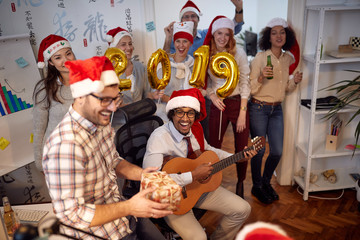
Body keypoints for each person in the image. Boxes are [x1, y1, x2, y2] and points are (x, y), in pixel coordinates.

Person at [42, 56, 173, 240]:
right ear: (80, 96)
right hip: (101, 233)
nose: (112, 108)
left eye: (115, 99)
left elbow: (113, 161)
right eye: (104, 100)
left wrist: (144, 175)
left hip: (124, 218)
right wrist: (130, 207)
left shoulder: (99, 123)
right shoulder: (65, 145)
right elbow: (72, 214)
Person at [143, 88, 257, 240]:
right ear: (171, 114)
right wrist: (193, 175)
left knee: (243, 209)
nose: (185, 118)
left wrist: (237, 157)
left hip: (197, 189)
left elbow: (208, 150)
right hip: (171, 199)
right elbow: (152, 182)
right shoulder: (159, 138)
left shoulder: (194, 130)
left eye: (190, 113)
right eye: (180, 112)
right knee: (199, 238)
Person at [249, 18, 302, 204]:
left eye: (282, 32)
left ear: (286, 36)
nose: (279, 36)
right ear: (268, 37)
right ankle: (256, 187)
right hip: (258, 108)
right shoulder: (260, 58)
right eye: (274, 33)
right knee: (258, 150)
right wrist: (261, 77)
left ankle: (265, 182)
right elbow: (251, 89)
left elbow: (285, 88)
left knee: (277, 151)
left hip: (276, 110)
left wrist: (294, 81)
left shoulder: (288, 58)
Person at [203, 16, 251, 198]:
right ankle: (214, 184)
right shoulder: (206, 54)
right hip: (218, 104)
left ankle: (240, 182)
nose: (222, 38)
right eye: (219, 33)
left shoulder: (238, 54)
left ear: (231, 36)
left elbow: (246, 81)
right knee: (214, 146)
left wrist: (242, 112)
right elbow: (201, 83)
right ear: (214, 34)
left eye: (226, 34)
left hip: (238, 103)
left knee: (241, 147)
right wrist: (212, 95)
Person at [32, 34, 75, 172]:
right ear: (50, 62)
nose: (66, 60)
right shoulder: (45, 88)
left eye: (68, 53)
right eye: (58, 57)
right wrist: (40, 164)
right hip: (57, 157)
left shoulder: (88, 80)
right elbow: (39, 129)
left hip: (84, 152)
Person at [163, 0, 244, 56]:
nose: (190, 20)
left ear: (198, 19)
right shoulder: (175, 40)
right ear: (181, 21)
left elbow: (235, 27)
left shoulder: (206, 34)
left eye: (193, 16)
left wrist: (239, 9)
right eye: (186, 17)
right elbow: (165, 61)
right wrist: (168, 38)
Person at [151, 21, 195, 122]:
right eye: (178, 41)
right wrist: (175, 102)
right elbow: (156, 93)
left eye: (185, 41)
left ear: (191, 43)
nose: (181, 45)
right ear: (173, 43)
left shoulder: (194, 66)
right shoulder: (165, 65)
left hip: (187, 116)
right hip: (165, 115)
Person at [106, 27, 148, 105]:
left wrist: (153, 95)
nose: (128, 48)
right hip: (119, 115)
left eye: (130, 44)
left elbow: (146, 95)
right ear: (114, 49)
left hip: (140, 114)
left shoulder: (140, 67)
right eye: (123, 45)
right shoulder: (108, 72)